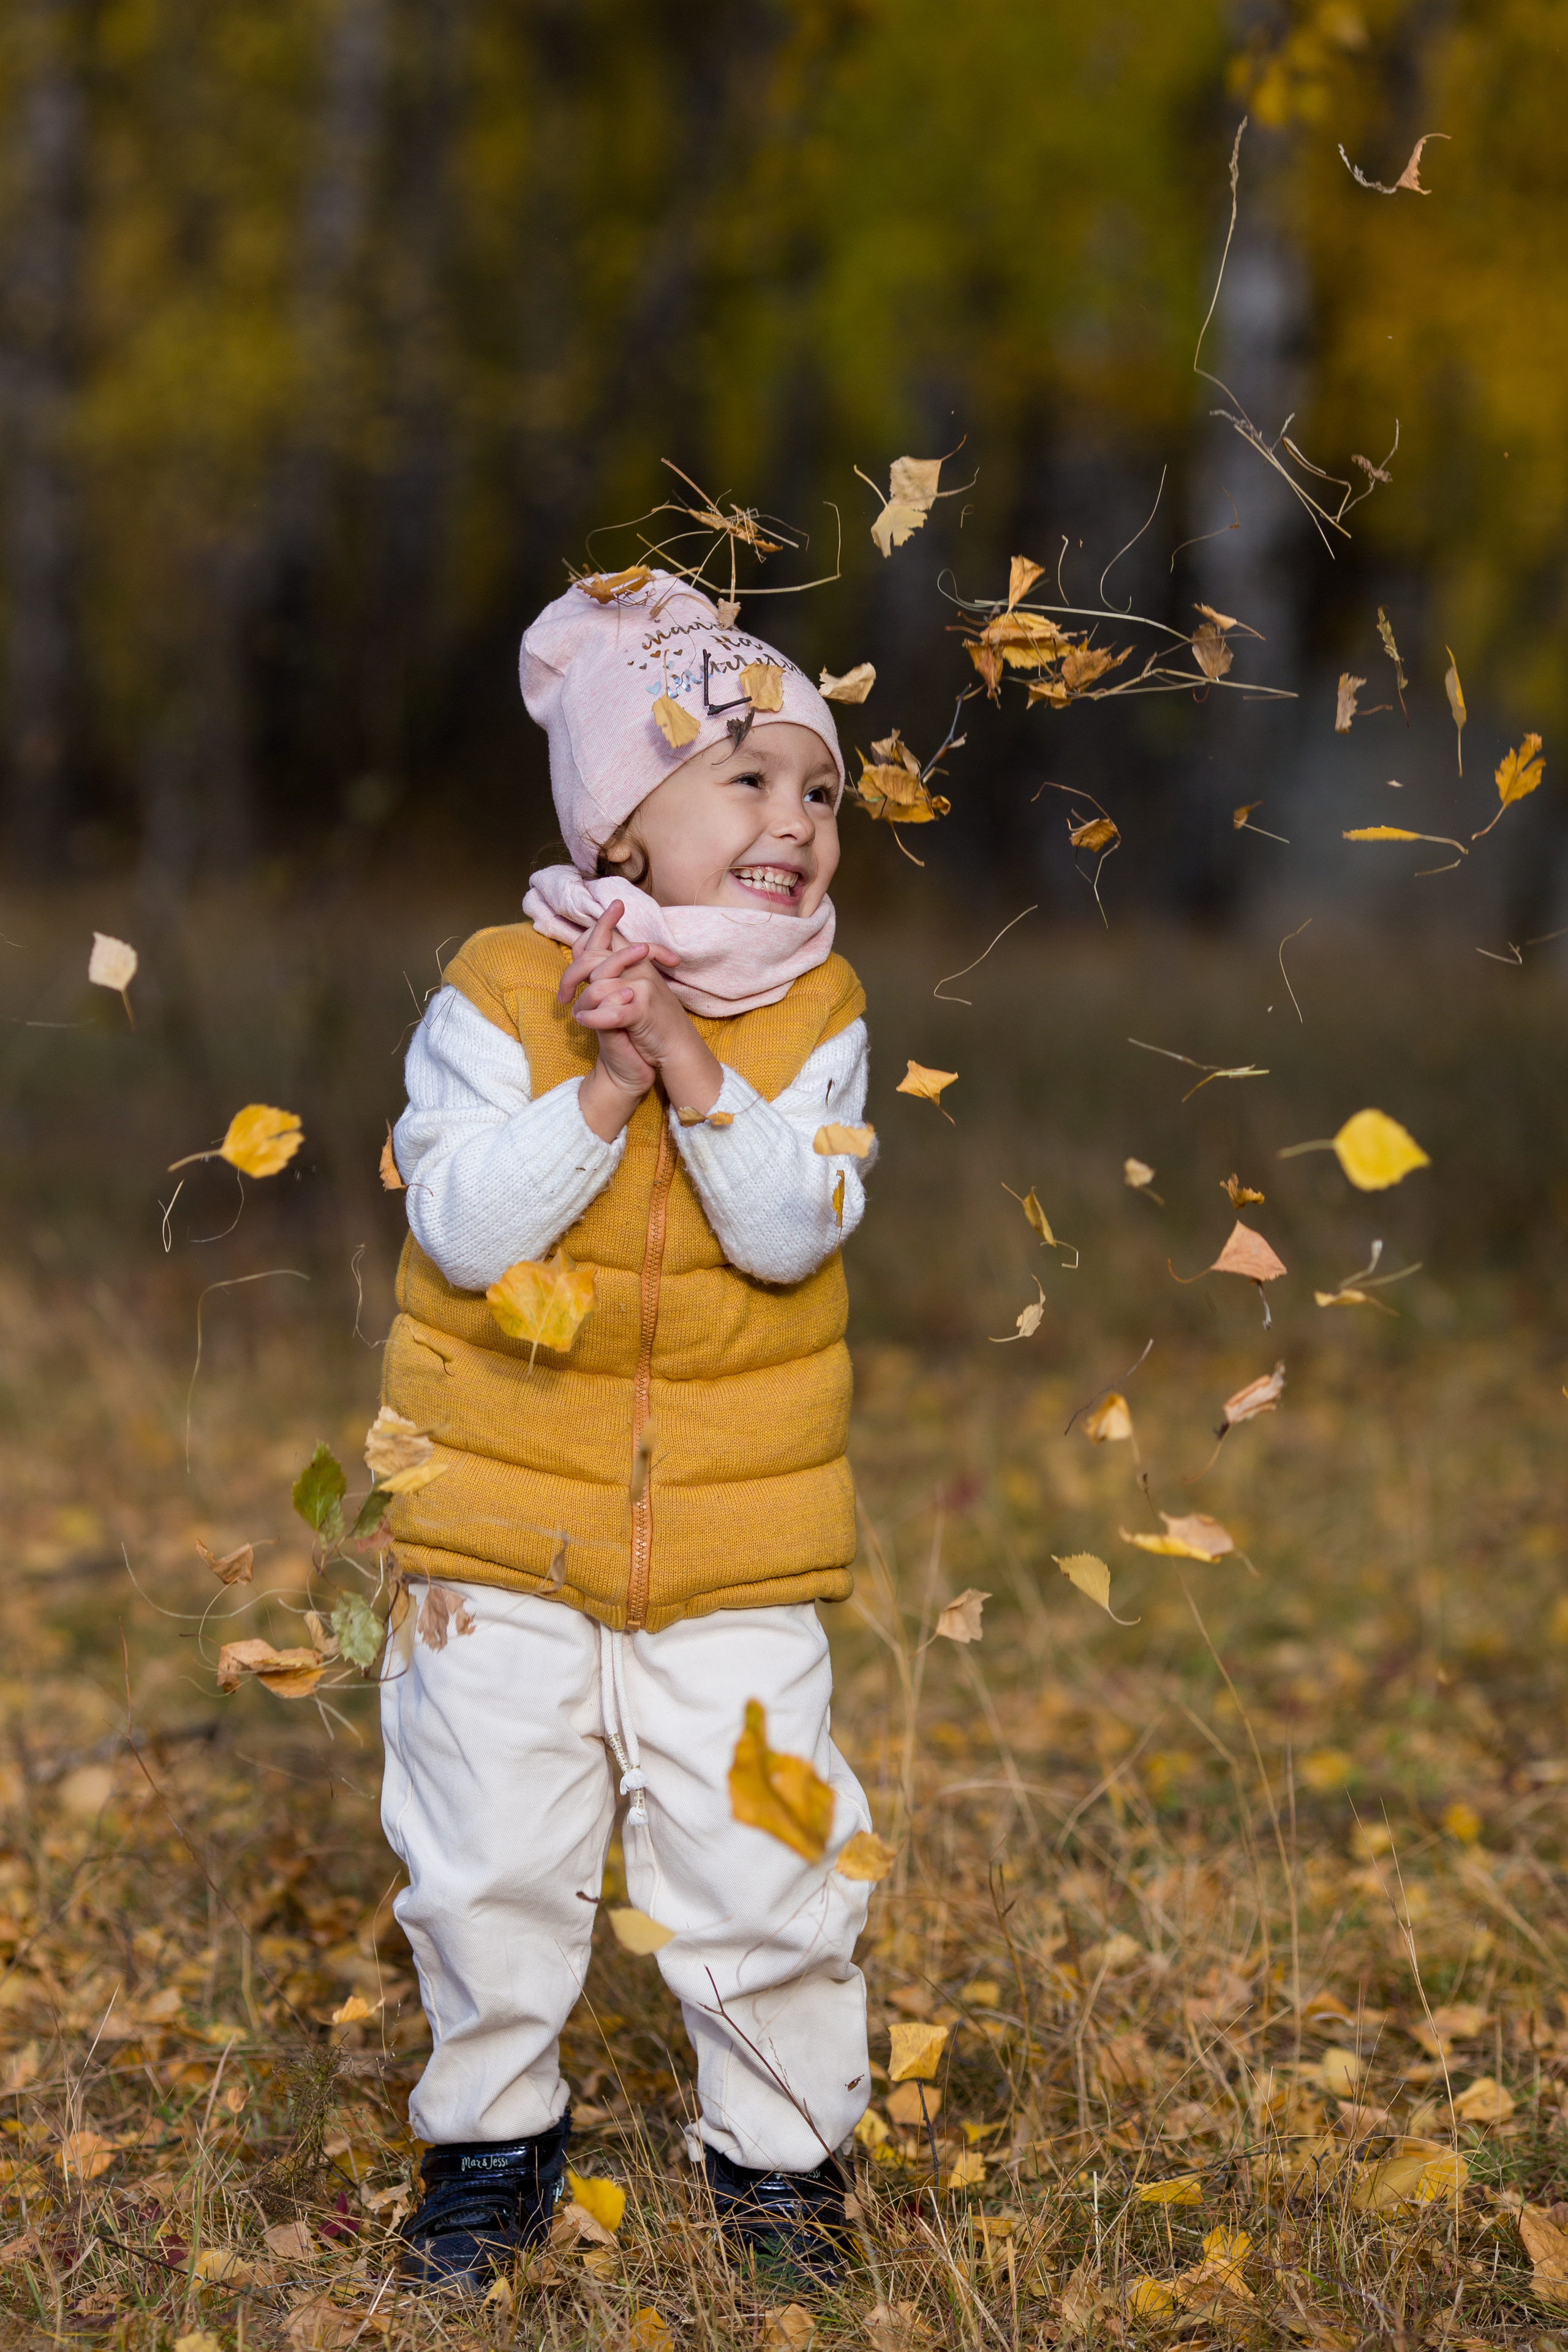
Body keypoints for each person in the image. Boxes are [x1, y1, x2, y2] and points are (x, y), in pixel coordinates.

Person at [378, 569, 879, 2295]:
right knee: (489, 1856)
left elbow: (792, 1228)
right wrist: (598, 1081)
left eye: (819, 790)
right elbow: (463, 1224)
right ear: (621, 818)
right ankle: (493, 2147)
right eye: (746, 778)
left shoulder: (818, 1014)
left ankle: (783, 2165)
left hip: (739, 1534)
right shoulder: (500, 986)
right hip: (495, 1520)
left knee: (766, 1850)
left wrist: (685, 1055)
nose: (796, 822)